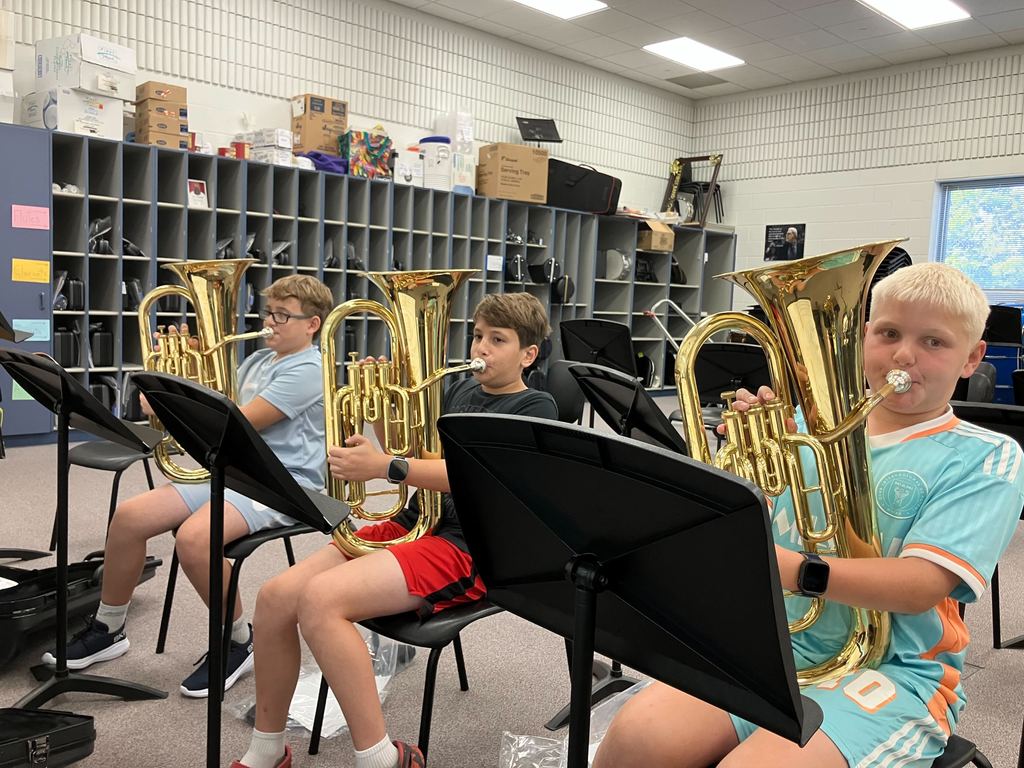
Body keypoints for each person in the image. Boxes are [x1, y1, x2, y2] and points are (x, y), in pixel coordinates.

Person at [594, 262, 1024, 768]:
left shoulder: (986, 456)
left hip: (896, 674)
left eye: (935, 342)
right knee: (633, 740)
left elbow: (921, 585)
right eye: (889, 333)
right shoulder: (799, 427)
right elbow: (740, 530)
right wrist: (745, 462)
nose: (904, 355)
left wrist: (797, 572)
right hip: (776, 653)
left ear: (972, 358)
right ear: (863, 338)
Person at [231, 292, 557, 768]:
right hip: (419, 520)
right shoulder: (458, 390)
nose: (481, 348)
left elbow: (480, 476)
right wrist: (382, 404)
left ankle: (381, 757)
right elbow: (414, 446)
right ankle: (267, 748)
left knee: (321, 601)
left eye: (497, 340)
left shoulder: (536, 407)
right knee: (276, 597)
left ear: (528, 354)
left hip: (471, 545)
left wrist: (387, 465)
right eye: (477, 335)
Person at [43, 275, 335, 699]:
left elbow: (237, 424)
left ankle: (238, 640)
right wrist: (172, 382)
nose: (270, 323)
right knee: (130, 518)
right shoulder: (257, 362)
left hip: (281, 484)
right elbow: (214, 409)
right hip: (232, 474)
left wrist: (170, 401)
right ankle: (109, 627)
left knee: (196, 540)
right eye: (268, 313)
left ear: (313, 324)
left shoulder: (311, 368)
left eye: (282, 316)